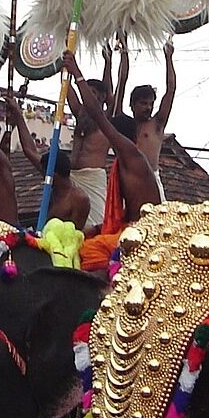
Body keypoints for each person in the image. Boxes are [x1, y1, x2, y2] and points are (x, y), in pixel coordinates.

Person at [64, 51, 163, 272]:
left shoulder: (131, 155)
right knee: (88, 238)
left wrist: (77, 73)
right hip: (131, 226)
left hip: (143, 232)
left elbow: (99, 114)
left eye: (111, 134)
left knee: (88, 253)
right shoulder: (125, 161)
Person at [8, 92, 90, 230]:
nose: (42, 175)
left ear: (55, 175)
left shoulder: (79, 199)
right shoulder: (51, 178)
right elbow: (29, 151)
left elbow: (73, 236)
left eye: (44, 173)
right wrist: (18, 115)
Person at [116, 40, 177, 171]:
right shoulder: (123, 124)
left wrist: (168, 58)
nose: (148, 108)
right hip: (128, 178)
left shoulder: (156, 125)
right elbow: (121, 82)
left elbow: (171, 89)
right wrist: (124, 52)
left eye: (151, 104)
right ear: (132, 105)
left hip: (151, 180)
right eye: (143, 103)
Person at [64, 74, 114, 228]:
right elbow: (66, 86)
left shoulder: (105, 119)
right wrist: (64, 64)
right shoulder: (80, 113)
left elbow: (115, 89)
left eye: (92, 93)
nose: (88, 96)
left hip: (94, 178)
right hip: (74, 176)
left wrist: (109, 60)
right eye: (87, 92)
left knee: (96, 225)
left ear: (101, 98)